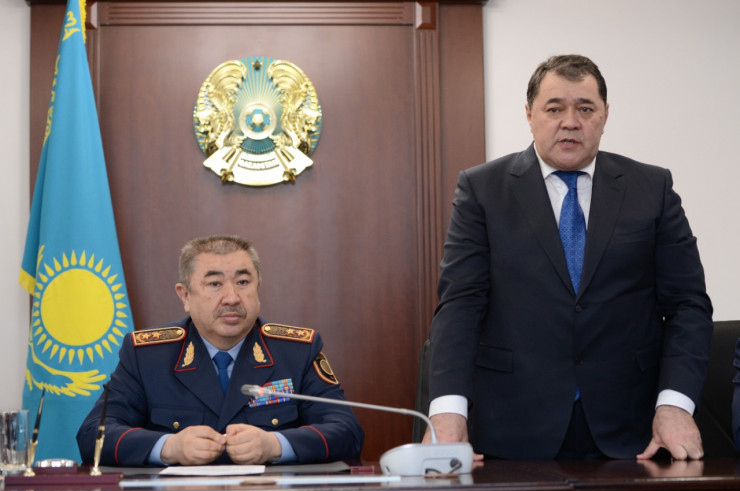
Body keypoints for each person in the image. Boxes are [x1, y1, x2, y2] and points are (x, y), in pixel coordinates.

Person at [424, 54, 712, 461]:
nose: (571, 122)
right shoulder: (482, 190)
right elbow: (460, 305)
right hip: (511, 428)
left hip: (635, 432)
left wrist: (675, 404)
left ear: (605, 115)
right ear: (529, 115)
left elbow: (687, 305)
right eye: (554, 109)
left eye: (586, 109)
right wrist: (448, 413)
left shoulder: (652, 188)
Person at [77, 235, 364, 466]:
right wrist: (169, 447)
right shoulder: (147, 355)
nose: (232, 297)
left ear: (258, 288)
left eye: (243, 282)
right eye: (215, 284)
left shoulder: (297, 351)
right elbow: (92, 436)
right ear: (185, 295)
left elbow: (347, 431)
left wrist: (275, 445)